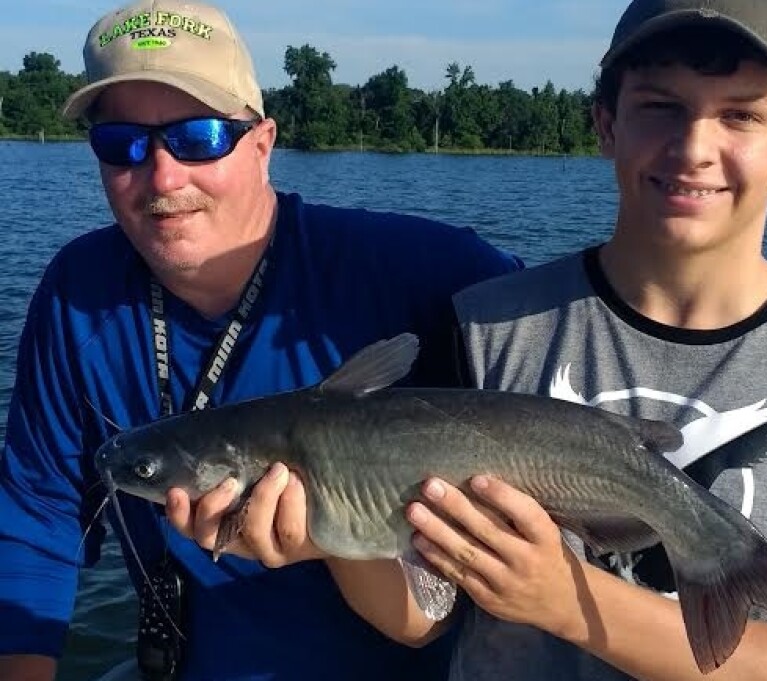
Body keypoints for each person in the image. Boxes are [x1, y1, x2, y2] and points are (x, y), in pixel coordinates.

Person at [0, 1, 520, 679]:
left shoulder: (416, 268)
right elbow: (38, 517)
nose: (162, 177)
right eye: (122, 143)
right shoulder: (79, 293)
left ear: (263, 143)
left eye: (200, 136)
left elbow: (578, 323)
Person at [400, 1, 767, 680]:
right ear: (606, 124)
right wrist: (326, 525)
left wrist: (569, 600)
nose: (692, 148)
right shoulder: (483, 330)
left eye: (740, 114)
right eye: (660, 106)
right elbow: (420, 614)